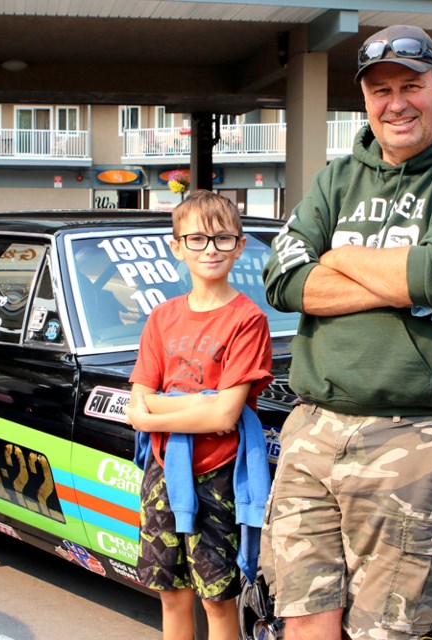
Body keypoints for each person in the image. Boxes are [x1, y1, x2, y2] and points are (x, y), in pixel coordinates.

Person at [261, 24, 432, 640]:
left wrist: (337, 253)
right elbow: (283, 280)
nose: (395, 102)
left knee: (387, 631)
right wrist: (397, 279)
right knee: (302, 613)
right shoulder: (336, 177)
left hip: (416, 438)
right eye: (380, 90)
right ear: (366, 99)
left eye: (411, 85)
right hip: (313, 426)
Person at [126, 189, 273, 640]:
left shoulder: (247, 320)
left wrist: (156, 414)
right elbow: (137, 401)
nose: (210, 249)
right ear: (177, 247)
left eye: (222, 239)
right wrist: (198, 403)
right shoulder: (161, 317)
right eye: (196, 239)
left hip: (220, 475)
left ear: (240, 245)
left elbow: (224, 417)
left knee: (217, 598)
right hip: (163, 471)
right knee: (170, 593)